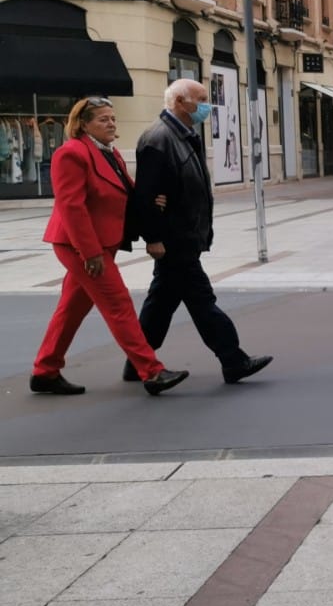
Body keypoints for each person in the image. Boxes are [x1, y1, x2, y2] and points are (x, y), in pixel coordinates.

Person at [31, 98, 188, 396]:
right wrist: (89, 252)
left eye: (113, 118)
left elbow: (126, 192)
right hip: (80, 245)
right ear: (82, 124)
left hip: (103, 242)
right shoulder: (72, 153)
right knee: (118, 304)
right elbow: (71, 207)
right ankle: (152, 371)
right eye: (103, 119)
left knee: (72, 308)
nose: (111, 123)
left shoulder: (109, 153)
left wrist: (149, 202)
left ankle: (45, 370)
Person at [125, 79, 271, 386]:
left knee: (161, 301)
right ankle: (233, 360)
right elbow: (147, 194)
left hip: (184, 234)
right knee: (202, 299)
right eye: (201, 100)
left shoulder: (183, 135)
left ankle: (137, 363)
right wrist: (153, 237)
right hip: (175, 237)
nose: (206, 106)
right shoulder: (159, 139)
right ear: (179, 101)